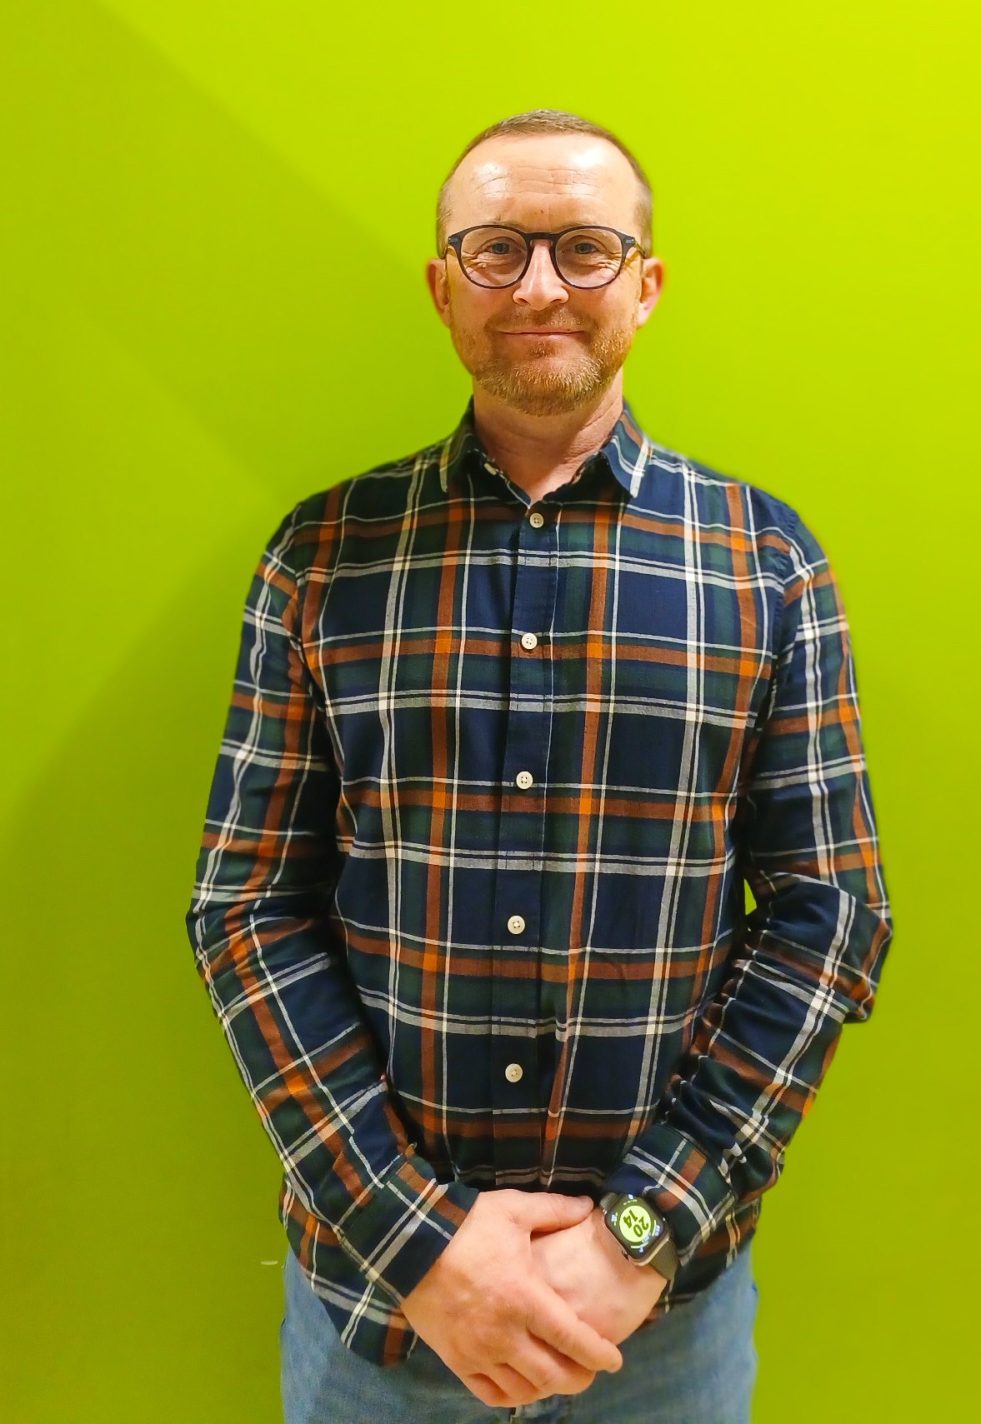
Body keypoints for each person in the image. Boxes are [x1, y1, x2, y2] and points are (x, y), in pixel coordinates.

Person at [185, 108, 894, 1423]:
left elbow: (829, 915)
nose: (539, 287)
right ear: (442, 284)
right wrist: (420, 1242)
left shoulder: (765, 565)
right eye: (497, 249)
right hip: (379, 1316)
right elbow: (246, 909)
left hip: (660, 1324)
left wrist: (641, 1232)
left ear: (646, 281)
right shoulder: (323, 557)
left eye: (583, 247)